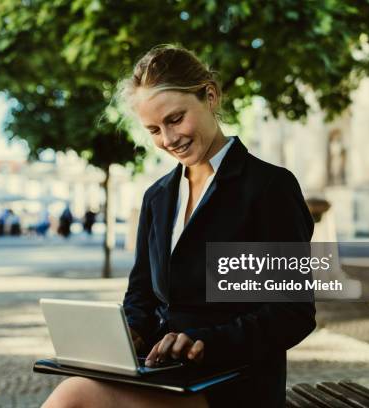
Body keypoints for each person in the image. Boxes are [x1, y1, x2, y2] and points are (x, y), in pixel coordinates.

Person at [42, 44, 315, 408]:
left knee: (75, 398)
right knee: (76, 388)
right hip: (164, 374)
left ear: (211, 97)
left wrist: (205, 341)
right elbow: (141, 295)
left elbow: (292, 312)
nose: (168, 140)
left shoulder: (268, 187)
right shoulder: (157, 197)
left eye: (175, 119)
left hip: (235, 381)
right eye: (154, 129)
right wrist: (130, 334)